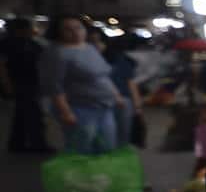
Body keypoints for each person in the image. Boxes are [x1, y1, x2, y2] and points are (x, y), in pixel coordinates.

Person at [41, 15, 125, 153]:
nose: (75, 32)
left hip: (104, 105)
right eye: (68, 29)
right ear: (58, 32)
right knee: (82, 148)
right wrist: (66, 112)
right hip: (79, 109)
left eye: (78, 28)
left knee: (107, 146)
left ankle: (101, 174)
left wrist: (116, 95)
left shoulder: (89, 48)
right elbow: (54, 86)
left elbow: (102, 75)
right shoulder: (57, 53)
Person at [0, 18, 50, 153]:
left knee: (22, 115)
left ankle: (18, 143)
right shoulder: (8, 44)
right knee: (33, 115)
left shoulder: (31, 43)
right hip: (20, 83)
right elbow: (2, 65)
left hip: (31, 82)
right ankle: (36, 143)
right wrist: (6, 84)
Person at [91, 29, 145, 148]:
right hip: (96, 103)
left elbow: (130, 83)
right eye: (91, 42)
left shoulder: (118, 59)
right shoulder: (84, 61)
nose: (95, 46)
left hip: (122, 101)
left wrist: (137, 107)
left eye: (98, 42)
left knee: (122, 137)